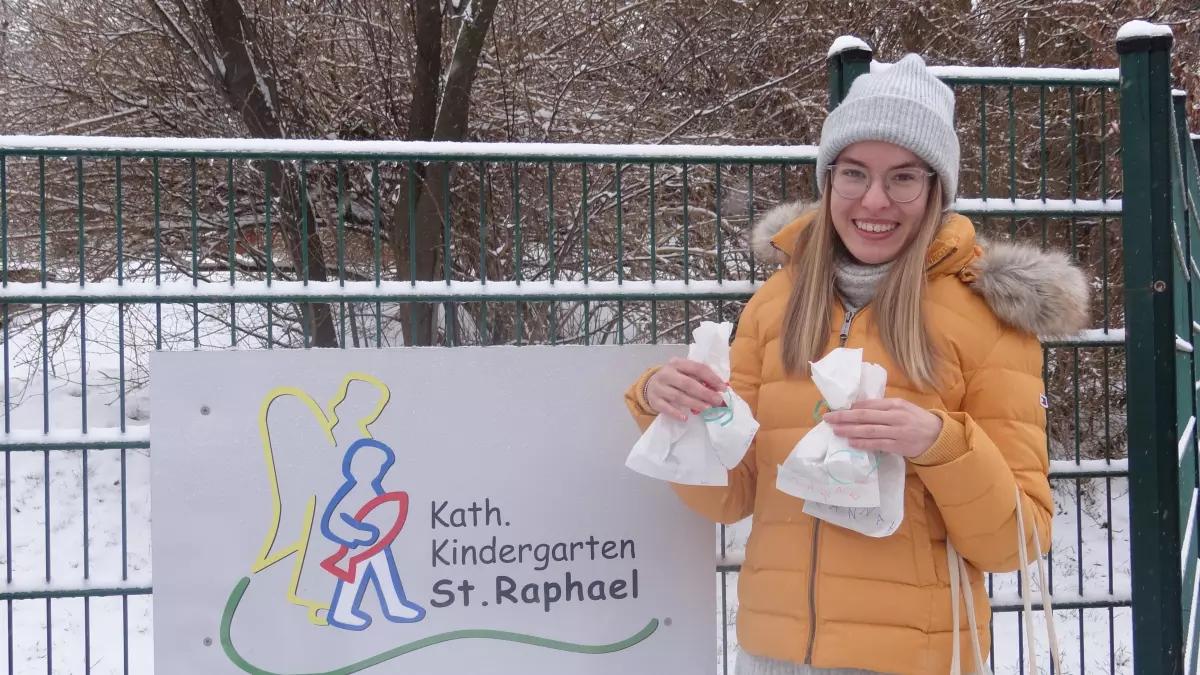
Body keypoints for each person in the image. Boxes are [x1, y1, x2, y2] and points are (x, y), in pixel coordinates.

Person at [623, 54, 1088, 674]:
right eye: (854, 173)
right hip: (774, 654)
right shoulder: (775, 303)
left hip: (913, 660)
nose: (875, 200)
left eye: (903, 177)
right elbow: (733, 496)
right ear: (828, 179)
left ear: (935, 189)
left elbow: (1017, 540)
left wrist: (942, 444)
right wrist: (670, 404)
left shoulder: (990, 323)